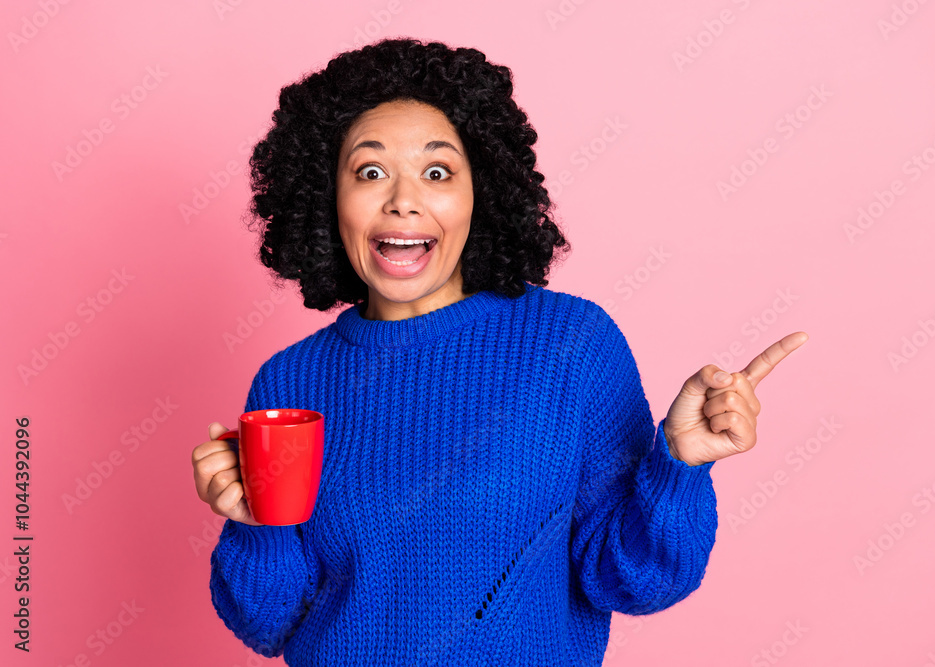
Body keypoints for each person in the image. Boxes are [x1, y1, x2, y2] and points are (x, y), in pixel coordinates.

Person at [190, 37, 807, 666]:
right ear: (328, 196)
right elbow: (268, 625)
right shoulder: (290, 382)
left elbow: (631, 582)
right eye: (370, 172)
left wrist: (678, 464)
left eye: (437, 172)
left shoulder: (571, 344)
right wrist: (255, 525)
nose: (403, 199)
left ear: (480, 193)